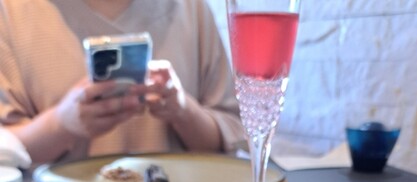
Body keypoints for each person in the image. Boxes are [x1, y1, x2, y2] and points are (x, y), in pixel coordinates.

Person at [0, 0, 244, 164]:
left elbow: (232, 134)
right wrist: (61, 124)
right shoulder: (12, 13)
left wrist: (183, 111)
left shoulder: (191, 7)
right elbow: (5, 153)